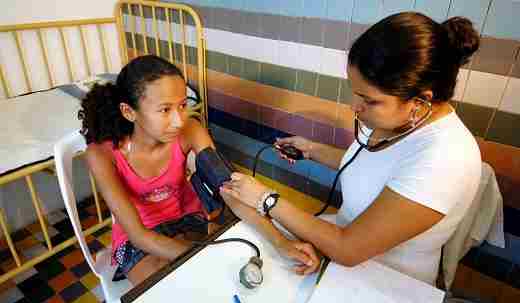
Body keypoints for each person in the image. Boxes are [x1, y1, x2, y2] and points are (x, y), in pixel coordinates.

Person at [220, 12, 482, 285]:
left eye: (368, 99)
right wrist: (312, 149)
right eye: (355, 91)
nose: (354, 106)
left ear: (420, 101)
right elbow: (374, 164)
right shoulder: (395, 119)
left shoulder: (446, 158)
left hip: (388, 282)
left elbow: (348, 248)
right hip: (337, 245)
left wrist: (266, 199)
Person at [79, 55, 318, 285]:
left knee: (230, 272)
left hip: (188, 220)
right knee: (168, 290)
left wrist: (279, 241)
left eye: (182, 105)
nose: (178, 120)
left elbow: (230, 190)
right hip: (138, 238)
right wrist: (205, 258)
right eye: (165, 110)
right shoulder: (101, 154)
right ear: (129, 112)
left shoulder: (190, 131)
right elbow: (139, 236)